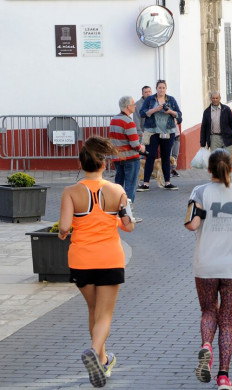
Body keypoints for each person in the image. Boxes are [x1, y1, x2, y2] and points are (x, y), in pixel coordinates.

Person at [58, 136, 136, 388]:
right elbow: (129, 226)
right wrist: (115, 219)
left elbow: (63, 228)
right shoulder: (118, 191)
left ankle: (102, 361)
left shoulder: (70, 192)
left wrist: (64, 232)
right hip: (110, 258)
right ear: (104, 165)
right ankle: (94, 351)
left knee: (93, 311)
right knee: (104, 315)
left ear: (81, 165)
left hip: (81, 260)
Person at [185, 149, 232, 390]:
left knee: (208, 311)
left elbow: (192, 224)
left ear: (209, 170)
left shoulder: (199, 192)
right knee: (227, 320)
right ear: (231, 169)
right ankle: (223, 377)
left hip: (206, 264)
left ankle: (206, 345)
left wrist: (200, 213)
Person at [138, 79, 182, 191]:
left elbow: (179, 114)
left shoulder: (171, 100)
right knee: (150, 156)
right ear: (156, 89)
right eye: (159, 88)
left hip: (168, 132)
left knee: (166, 156)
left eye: (163, 88)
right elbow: (142, 113)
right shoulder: (150, 99)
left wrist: (170, 112)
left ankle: (167, 182)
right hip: (153, 131)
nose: (161, 90)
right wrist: (155, 109)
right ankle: (146, 183)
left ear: (166, 89)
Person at [109, 96, 146, 223]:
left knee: (118, 185)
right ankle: (128, 214)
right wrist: (142, 148)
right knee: (130, 186)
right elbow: (135, 144)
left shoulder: (114, 120)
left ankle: (117, 212)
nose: (135, 106)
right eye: (133, 104)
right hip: (130, 157)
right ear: (127, 107)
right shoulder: (129, 122)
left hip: (117, 157)